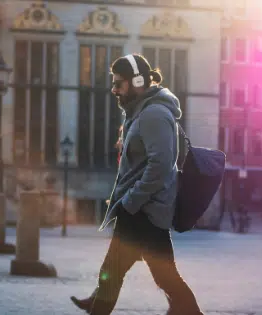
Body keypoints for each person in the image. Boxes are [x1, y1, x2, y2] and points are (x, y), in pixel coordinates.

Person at [70, 54, 203, 315]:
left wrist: (132, 199)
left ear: (138, 81)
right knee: (138, 272)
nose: (114, 89)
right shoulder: (141, 111)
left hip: (145, 210)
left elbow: (161, 165)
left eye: (119, 84)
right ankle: (99, 304)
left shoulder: (153, 114)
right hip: (142, 208)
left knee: (146, 274)